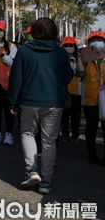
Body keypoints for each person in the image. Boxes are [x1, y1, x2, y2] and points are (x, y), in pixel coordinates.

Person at [9, 18, 73, 194]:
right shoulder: (60, 53)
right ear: (55, 32)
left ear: (34, 33)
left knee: (28, 133)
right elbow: (68, 77)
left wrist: (13, 102)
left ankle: (32, 171)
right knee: (49, 141)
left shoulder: (24, 52)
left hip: (28, 101)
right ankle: (46, 181)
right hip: (54, 102)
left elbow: (16, 80)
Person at [76, 31, 105, 165]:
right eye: (93, 40)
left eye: (99, 39)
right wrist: (80, 58)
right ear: (89, 44)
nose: (97, 42)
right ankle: (91, 154)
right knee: (91, 127)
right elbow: (80, 72)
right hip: (90, 98)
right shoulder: (87, 57)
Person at [60, 36, 81, 143]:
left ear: (75, 46)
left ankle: (75, 134)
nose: (68, 47)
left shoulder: (79, 59)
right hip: (63, 91)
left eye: (70, 45)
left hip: (76, 91)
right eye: (66, 46)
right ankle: (65, 133)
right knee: (64, 114)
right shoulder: (58, 59)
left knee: (75, 115)